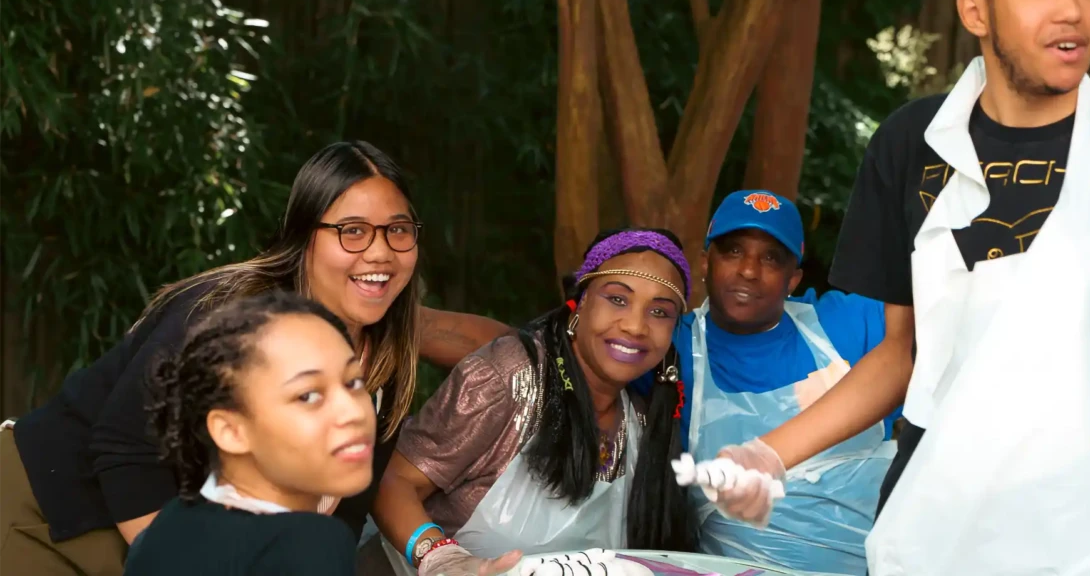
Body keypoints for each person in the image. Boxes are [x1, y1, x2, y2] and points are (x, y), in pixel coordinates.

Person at [681, 0, 1090, 574]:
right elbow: (902, 352)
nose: (1072, 9)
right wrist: (769, 453)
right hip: (934, 526)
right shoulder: (910, 146)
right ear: (975, 11)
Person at [0, 140, 508, 574]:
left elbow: (345, 503)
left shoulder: (384, 352)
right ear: (305, 237)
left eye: (398, 230)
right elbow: (125, 450)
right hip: (49, 513)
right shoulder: (232, 314)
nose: (379, 252)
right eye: (352, 230)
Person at [372, 228, 699, 576]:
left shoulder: (641, 422)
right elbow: (393, 481)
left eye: (660, 312)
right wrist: (439, 557)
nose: (635, 325)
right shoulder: (509, 378)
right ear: (581, 301)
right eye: (617, 299)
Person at [638, 189, 898, 575]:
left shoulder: (847, 325)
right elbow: (572, 346)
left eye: (772, 258)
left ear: (793, 278)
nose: (748, 270)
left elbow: (943, 324)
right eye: (733, 251)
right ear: (705, 263)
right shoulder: (669, 348)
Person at [124, 291, 374, 575]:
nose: (353, 411)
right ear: (230, 431)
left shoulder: (167, 527)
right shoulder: (307, 543)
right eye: (307, 396)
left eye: (353, 382)